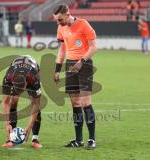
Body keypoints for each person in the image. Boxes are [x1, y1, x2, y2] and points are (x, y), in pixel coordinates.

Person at [53, 4, 97, 149]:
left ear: (67, 14)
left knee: (85, 103)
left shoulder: (83, 24)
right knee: (75, 104)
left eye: (60, 19)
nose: (59, 23)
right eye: (57, 21)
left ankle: (91, 139)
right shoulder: (61, 28)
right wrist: (57, 69)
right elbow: (62, 49)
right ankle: (79, 140)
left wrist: (81, 61)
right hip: (70, 65)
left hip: (85, 65)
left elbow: (94, 47)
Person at [1, 55, 42, 149]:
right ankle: (11, 138)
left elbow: (36, 104)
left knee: (35, 101)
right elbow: (5, 102)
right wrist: (7, 124)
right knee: (13, 101)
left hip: (33, 68)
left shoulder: (34, 79)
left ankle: (35, 139)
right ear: (12, 84)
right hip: (16, 68)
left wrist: (29, 126)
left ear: (26, 84)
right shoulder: (8, 78)